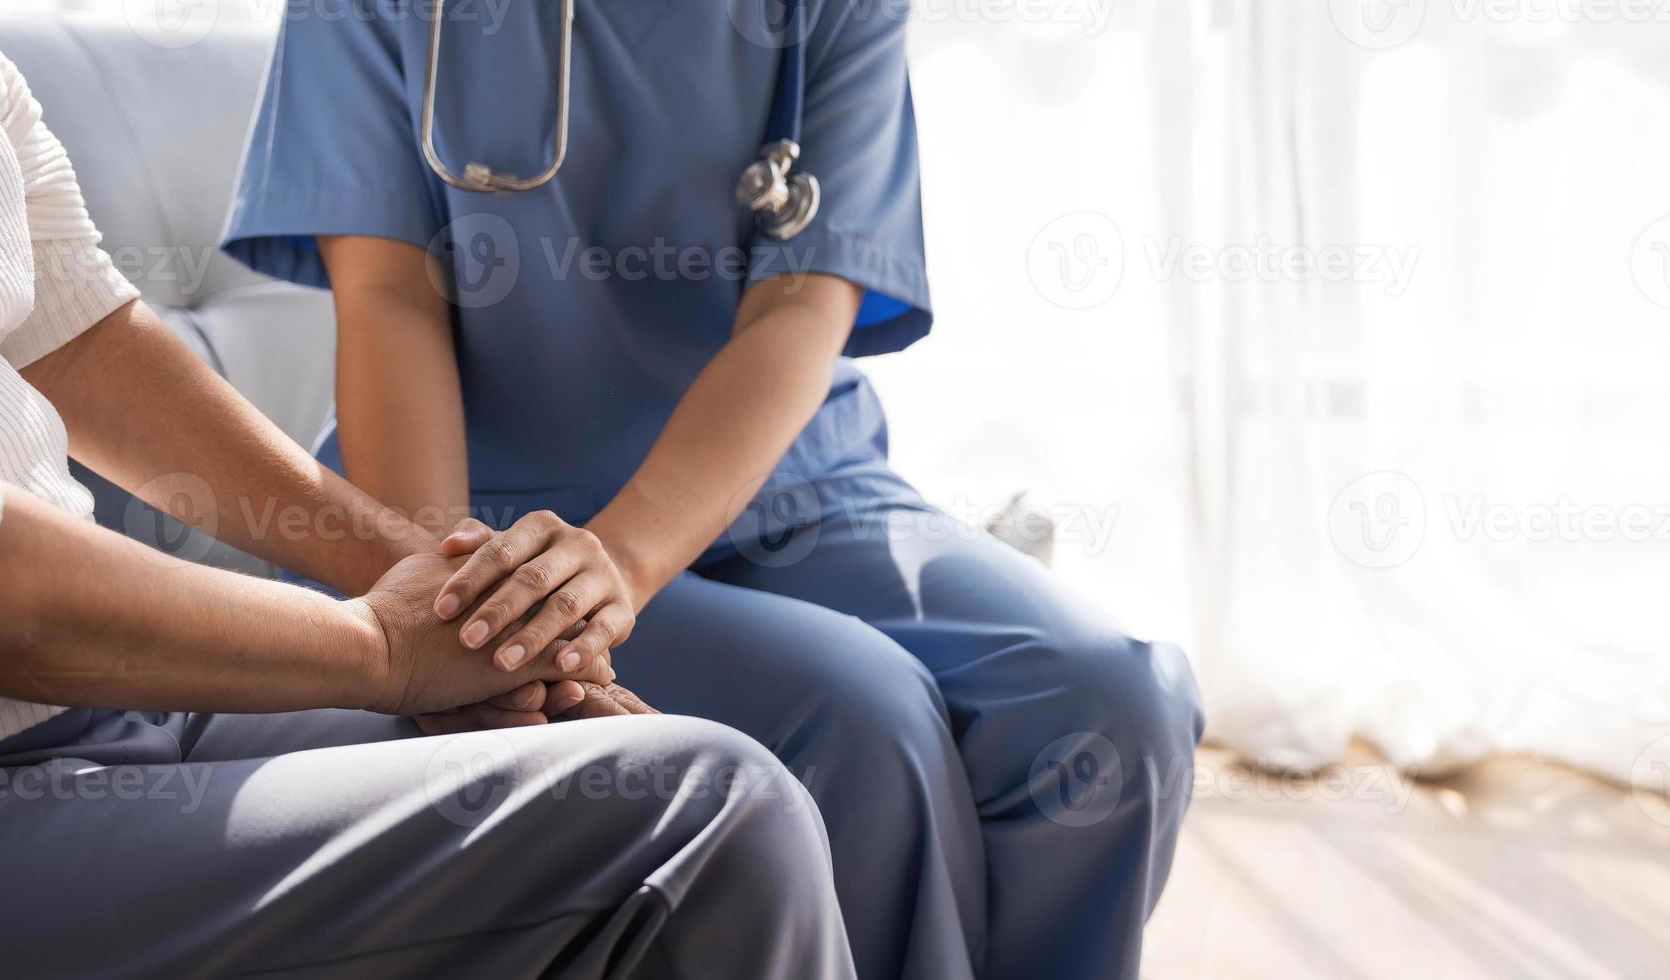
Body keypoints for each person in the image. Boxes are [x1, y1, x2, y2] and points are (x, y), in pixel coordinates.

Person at [0, 5, 854, 977]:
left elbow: (76, 327)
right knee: (705, 818)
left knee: (612, 746)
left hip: (89, 725)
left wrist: (444, 599)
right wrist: (377, 648)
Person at [220, 0, 1207, 976]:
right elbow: (389, 294)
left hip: (798, 487)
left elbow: (805, 298)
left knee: (1115, 701)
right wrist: (457, 599)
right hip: (487, 520)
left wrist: (624, 558)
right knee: (864, 721)